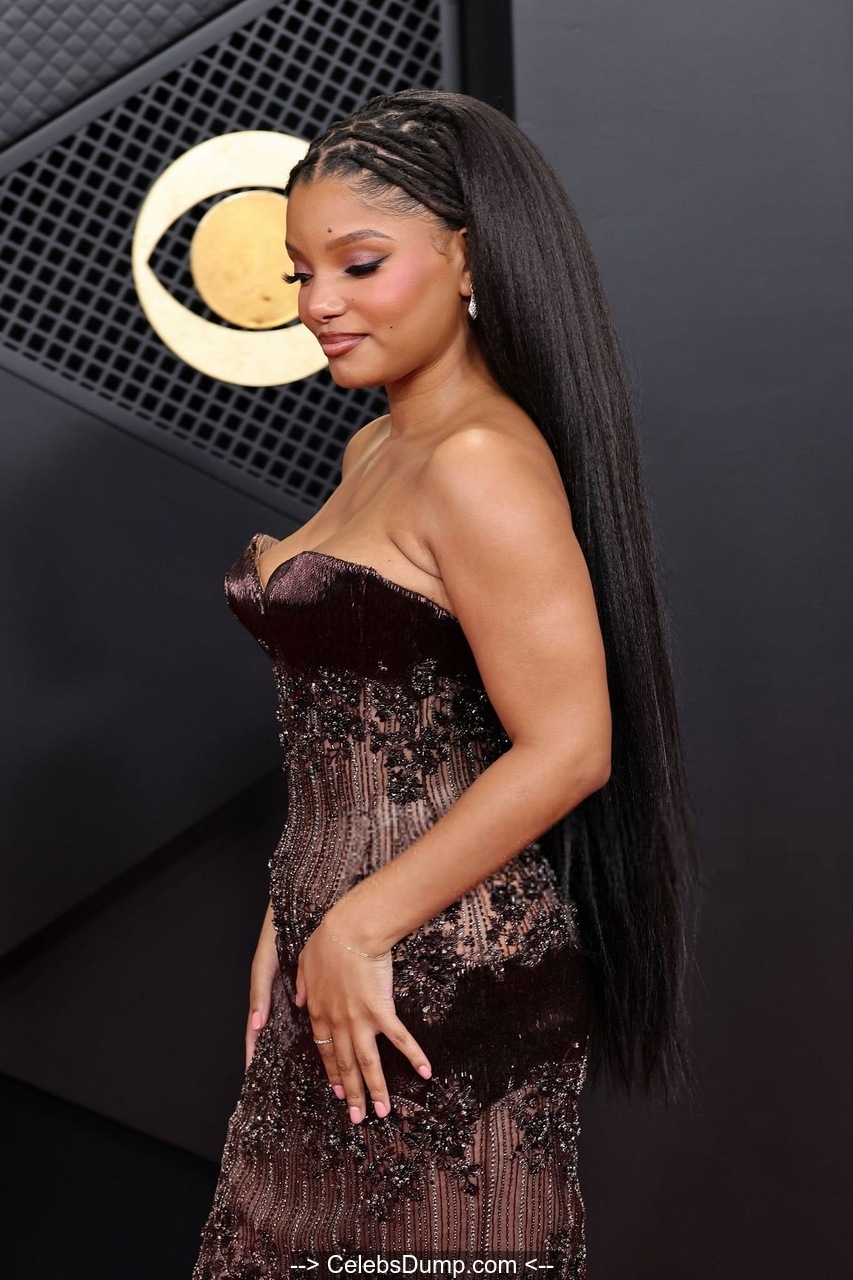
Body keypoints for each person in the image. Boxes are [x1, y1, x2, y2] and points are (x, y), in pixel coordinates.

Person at [191, 88, 697, 1279]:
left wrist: (356, 919)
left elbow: (571, 744)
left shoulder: (476, 460)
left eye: (358, 264)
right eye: (300, 271)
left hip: (439, 967)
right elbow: (355, 724)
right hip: (344, 950)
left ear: (465, 257)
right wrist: (292, 910)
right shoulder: (378, 441)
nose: (317, 303)